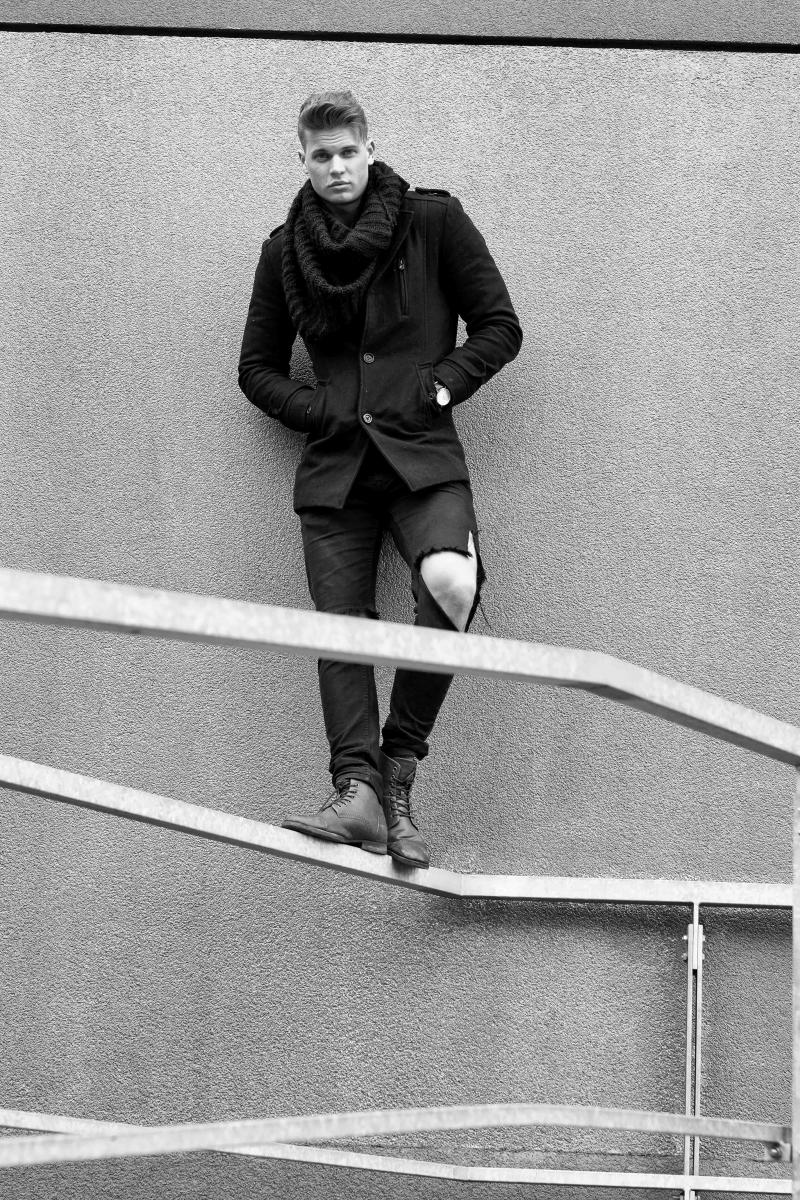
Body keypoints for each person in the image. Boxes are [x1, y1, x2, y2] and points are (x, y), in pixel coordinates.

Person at [238, 91, 522, 869]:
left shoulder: (432, 221)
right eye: (320, 155)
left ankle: (397, 768)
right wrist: (318, 408)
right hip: (336, 471)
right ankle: (357, 792)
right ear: (302, 159)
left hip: (421, 457)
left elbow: (500, 326)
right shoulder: (284, 252)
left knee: (453, 583)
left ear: (369, 148)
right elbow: (256, 369)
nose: (336, 167)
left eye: (347, 152)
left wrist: (440, 386)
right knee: (342, 631)